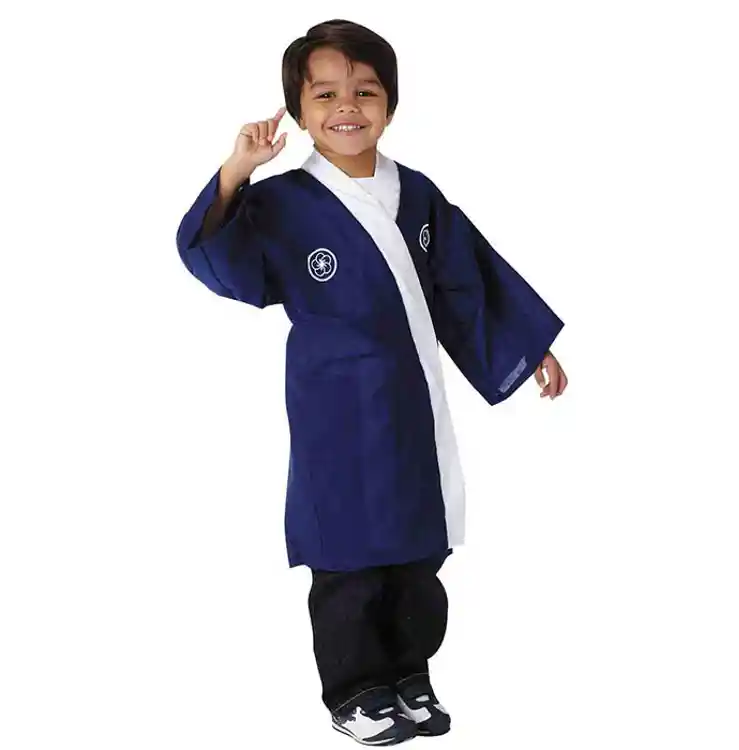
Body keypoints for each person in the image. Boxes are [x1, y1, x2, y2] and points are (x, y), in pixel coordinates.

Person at [175, 18, 568, 746]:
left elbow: (466, 283)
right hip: (334, 403)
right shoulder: (282, 200)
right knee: (348, 549)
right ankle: (356, 688)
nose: (346, 107)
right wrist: (235, 173)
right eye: (324, 94)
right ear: (298, 111)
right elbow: (223, 263)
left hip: (411, 398)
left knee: (418, 547)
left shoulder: (416, 195)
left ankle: (409, 673)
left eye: (364, 90)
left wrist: (529, 344)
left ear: (390, 103)